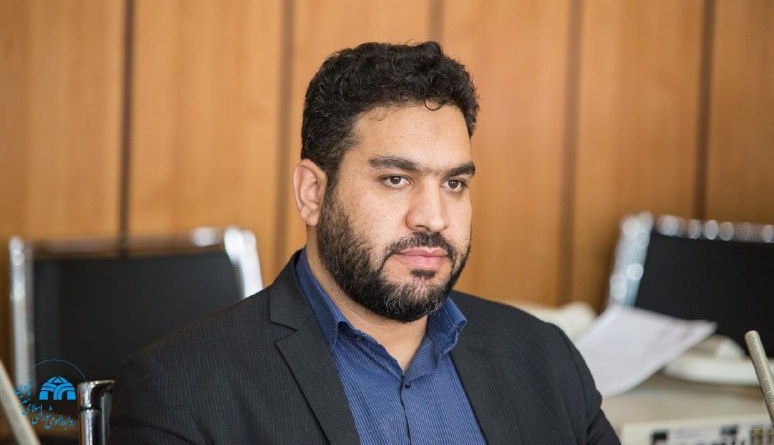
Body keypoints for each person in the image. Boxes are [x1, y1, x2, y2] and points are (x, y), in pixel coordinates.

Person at [110, 42, 619, 444]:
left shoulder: (544, 357)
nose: (434, 217)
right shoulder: (182, 388)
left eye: (454, 183)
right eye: (396, 179)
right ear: (313, 193)